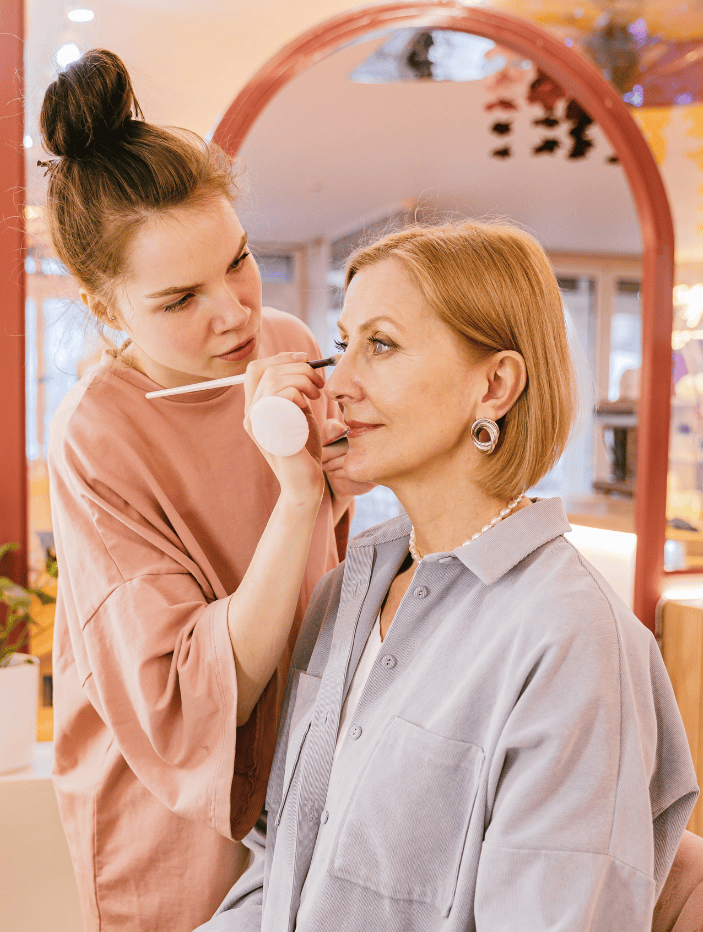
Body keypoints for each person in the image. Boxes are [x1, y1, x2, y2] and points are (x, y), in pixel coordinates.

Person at [198, 221, 699, 932]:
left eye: (381, 345)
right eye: (343, 344)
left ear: (494, 385)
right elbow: (283, 868)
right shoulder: (344, 595)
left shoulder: (572, 641)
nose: (335, 384)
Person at [40, 49, 371, 932]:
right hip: (168, 793)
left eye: (239, 260)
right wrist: (298, 498)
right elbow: (187, 699)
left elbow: (330, 558)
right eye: (179, 299)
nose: (233, 312)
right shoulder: (96, 435)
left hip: (302, 750)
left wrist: (348, 480)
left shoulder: (283, 340)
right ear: (105, 307)